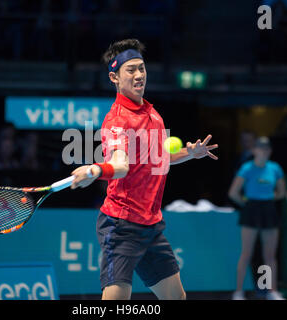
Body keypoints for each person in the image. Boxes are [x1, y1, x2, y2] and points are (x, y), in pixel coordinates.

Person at [70, 39, 218, 300]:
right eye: (131, 70)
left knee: (176, 298)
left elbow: (159, 158)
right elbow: (120, 165)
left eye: (142, 68)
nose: (139, 75)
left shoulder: (153, 114)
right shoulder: (117, 120)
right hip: (121, 225)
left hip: (151, 224)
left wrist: (190, 153)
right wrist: (94, 170)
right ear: (114, 77)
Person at [228, 137, 286, 300]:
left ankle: (270, 290)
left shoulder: (275, 168)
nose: (264, 151)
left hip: (268, 210)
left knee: (269, 255)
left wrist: (266, 198)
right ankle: (238, 291)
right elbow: (233, 192)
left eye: (267, 148)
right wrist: (247, 203)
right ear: (254, 151)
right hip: (251, 210)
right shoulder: (246, 168)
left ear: (270, 151)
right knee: (246, 253)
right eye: (261, 148)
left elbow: (281, 192)